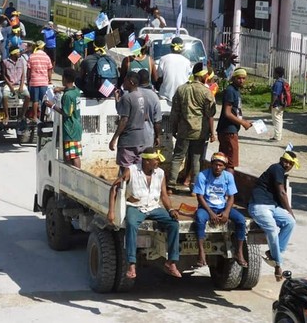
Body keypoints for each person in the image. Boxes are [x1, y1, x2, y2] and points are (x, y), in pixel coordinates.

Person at [106, 147, 182, 279]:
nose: (158, 162)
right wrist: (111, 211)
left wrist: (170, 209)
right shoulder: (132, 170)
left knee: (174, 224)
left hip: (153, 207)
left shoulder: (160, 173)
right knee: (131, 224)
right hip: (136, 207)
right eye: (155, 160)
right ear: (146, 161)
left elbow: (164, 195)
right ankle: (132, 264)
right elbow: (114, 188)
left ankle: (171, 262)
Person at [248, 151, 298, 282]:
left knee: (290, 222)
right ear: (282, 160)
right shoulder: (276, 168)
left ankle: (273, 254)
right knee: (272, 230)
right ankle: (278, 265)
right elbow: (281, 192)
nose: (288, 165)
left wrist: (289, 215)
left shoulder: (280, 171)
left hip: (272, 206)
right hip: (258, 205)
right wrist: (290, 210)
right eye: (286, 162)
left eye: (291, 164)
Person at [193, 152, 247, 268]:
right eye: (215, 165)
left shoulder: (228, 176)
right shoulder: (203, 175)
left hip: (222, 206)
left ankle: (239, 252)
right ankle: (201, 252)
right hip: (207, 207)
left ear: (224, 166)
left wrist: (227, 212)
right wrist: (211, 213)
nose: (218, 167)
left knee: (241, 221)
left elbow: (231, 197)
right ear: (211, 165)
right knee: (199, 219)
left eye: (221, 165)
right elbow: (200, 196)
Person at [169, 62, 216, 191]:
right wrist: (212, 133)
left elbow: (175, 112)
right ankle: (194, 189)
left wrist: (174, 128)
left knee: (178, 157)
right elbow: (210, 113)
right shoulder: (206, 92)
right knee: (196, 159)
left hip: (183, 130)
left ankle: (170, 186)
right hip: (199, 131)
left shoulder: (181, 89)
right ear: (203, 76)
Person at [109, 71, 147, 173]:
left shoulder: (127, 98)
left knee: (125, 169)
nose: (123, 83)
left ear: (131, 82)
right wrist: (117, 100)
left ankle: (124, 188)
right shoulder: (142, 97)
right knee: (137, 170)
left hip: (128, 140)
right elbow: (145, 117)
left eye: (125, 81)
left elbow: (124, 119)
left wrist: (114, 139)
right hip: (140, 139)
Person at [45, 67, 82, 168]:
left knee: (73, 156)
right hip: (76, 126)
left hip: (70, 129)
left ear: (65, 78)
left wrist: (51, 105)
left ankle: (76, 175)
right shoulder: (76, 91)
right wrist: (60, 89)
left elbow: (66, 113)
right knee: (72, 154)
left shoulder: (67, 96)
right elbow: (69, 88)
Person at [216, 67, 252, 172]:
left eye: (243, 78)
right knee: (230, 163)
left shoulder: (236, 91)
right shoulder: (230, 91)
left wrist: (245, 121)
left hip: (230, 130)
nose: (241, 80)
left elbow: (235, 112)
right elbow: (227, 113)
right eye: (239, 78)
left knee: (224, 160)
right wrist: (243, 123)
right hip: (228, 131)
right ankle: (229, 188)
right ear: (234, 78)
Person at [157, 36, 191, 112]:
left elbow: (159, 76)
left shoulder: (163, 59)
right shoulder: (187, 62)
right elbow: (187, 78)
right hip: (182, 96)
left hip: (165, 96)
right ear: (182, 49)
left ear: (171, 47)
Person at [2, 45, 30, 125]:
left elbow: (23, 74)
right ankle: (7, 116)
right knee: (5, 96)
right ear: (13, 53)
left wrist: (21, 86)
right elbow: (4, 75)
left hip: (19, 84)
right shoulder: (5, 62)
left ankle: (22, 115)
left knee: (28, 96)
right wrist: (10, 86)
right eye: (17, 52)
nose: (19, 53)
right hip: (9, 84)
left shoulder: (21, 61)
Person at [27, 40, 53, 123]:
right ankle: (42, 117)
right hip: (43, 82)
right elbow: (49, 69)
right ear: (42, 47)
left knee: (35, 101)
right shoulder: (46, 57)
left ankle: (35, 116)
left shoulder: (31, 56)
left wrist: (28, 80)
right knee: (43, 101)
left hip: (34, 81)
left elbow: (29, 70)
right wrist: (49, 80)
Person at [137, 69, 162, 150]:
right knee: (146, 161)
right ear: (149, 80)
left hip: (132, 136)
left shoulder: (131, 93)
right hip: (148, 136)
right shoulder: (154, 96)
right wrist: (157, 136)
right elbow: (157, 121)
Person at [270, 66, 286, 141]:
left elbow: (275, 95)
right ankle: (278, 135)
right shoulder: (283, 82)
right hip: (282, 103)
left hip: (277, 104)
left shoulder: (277, 83)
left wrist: (271, 104)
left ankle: (277, 137)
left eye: (274, 72)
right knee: (279, 120)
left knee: (276, 120)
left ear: (277, 73)